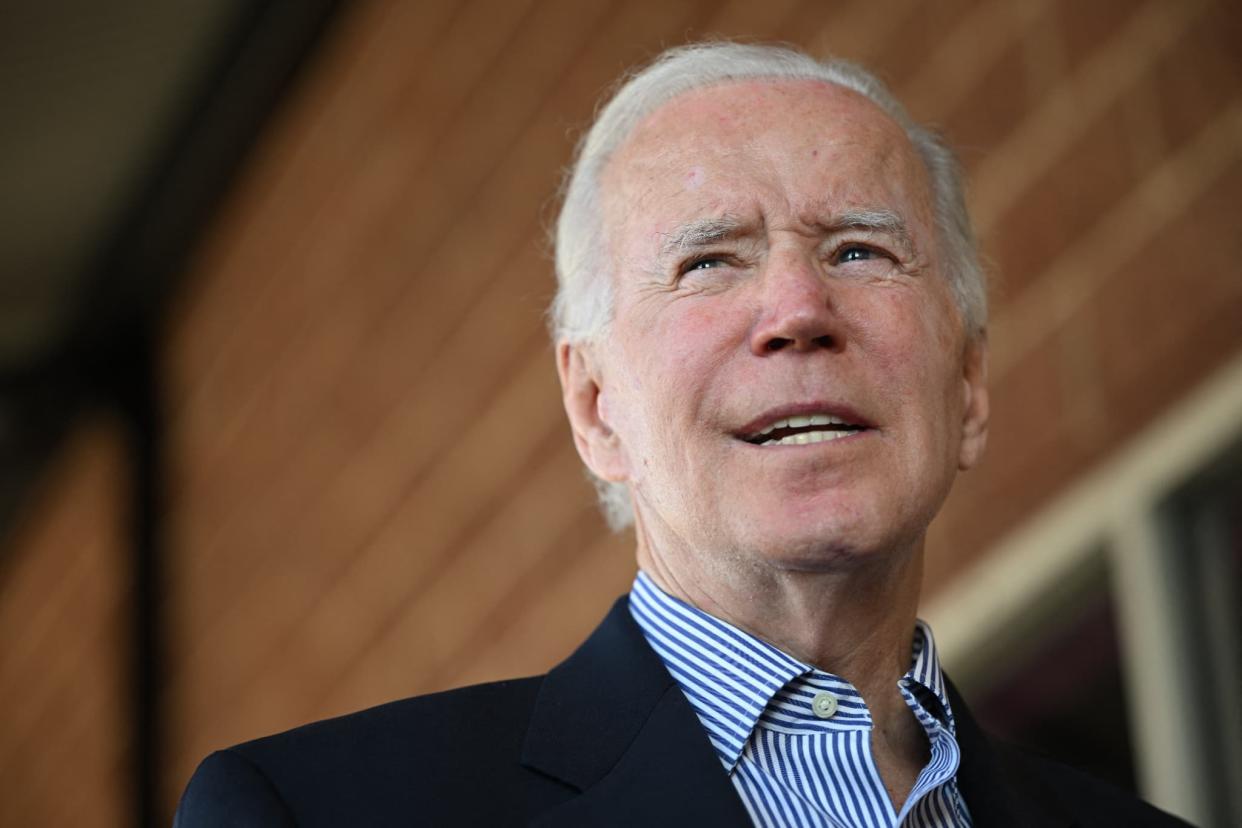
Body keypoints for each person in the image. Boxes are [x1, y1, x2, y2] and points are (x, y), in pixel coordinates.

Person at [175, 42, 1189, 827]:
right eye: (710, 262)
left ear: (967, 382)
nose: (798, 307)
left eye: (860, 248)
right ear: (596, 408)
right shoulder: (319, 815)